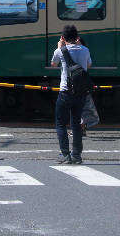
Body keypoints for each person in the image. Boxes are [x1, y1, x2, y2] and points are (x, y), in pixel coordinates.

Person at [51, 24, 91, 164]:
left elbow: (53, 64)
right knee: (76, 124)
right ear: (77, 37)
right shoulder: (85, 50)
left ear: (63, 37)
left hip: (65, 92)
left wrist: (59, 47)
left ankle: (65, 154)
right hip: (80, 93)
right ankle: (77, 155)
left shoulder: (60, 51)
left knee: (61, 123)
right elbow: (89, 65)